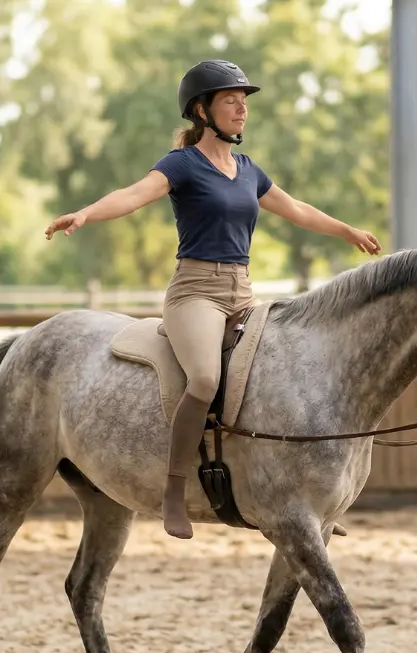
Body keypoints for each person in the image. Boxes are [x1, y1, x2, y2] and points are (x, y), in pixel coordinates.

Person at [43, 59, 381, 540]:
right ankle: (174, 492)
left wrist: (346, 230)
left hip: (243, 292)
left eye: (244, 101)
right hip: (195, 294)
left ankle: (300, 489)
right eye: (231, 100)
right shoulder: (182, 164)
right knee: (203, 379)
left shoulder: (248, 170)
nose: (242, 108)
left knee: (284, 368)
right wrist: (86, 214)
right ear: (202, 110)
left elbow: (296, 208)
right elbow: (134, 194)